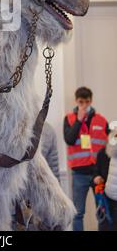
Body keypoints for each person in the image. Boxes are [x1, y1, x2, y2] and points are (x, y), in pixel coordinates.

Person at [64, 86, 109, 231]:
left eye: (87, 102)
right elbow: (69, 140)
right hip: (79, 174)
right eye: (81, 102)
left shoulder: (101, 120)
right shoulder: (69, 119)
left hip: (99, 175)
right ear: (76, 101)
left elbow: (110, 146)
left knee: (102, 211)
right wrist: (78, 121)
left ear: (91, 101)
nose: (84, 105)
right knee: (78, 213)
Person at [93, 121, 117, 231]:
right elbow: (96, 170)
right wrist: (97, 177)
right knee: (106, 225)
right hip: (107, 198)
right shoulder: (102, 153)